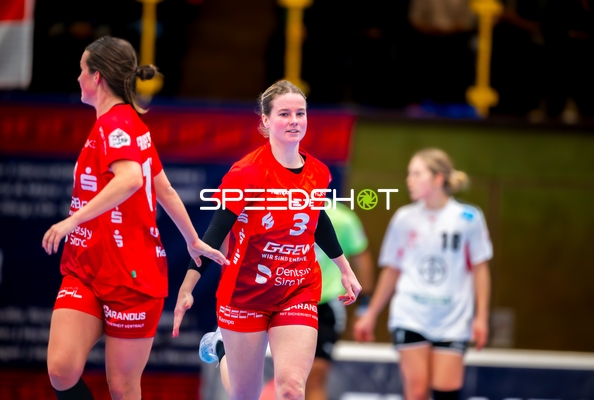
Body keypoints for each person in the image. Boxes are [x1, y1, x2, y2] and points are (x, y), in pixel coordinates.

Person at [41, 36, 228, 400]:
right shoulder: (123, 124)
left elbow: (131, 179)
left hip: (132, 276)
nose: (78, 77)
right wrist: (192, 239)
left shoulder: (118, 125)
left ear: (97, 77)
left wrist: (71, 221)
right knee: (61, 371)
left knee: (124, 388)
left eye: (82, 70)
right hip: (86, 267)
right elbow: (164, 189)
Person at [172, 80, 362, 400]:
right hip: (246, 292)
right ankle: (222, 348)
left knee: (291, 389)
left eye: (300, 113)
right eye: (284, 114)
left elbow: (317, 220)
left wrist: (344, 268)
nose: (294, 120)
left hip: (297, 289)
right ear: (266, 120)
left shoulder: (318, 172)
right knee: (245, 395)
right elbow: (215, 234)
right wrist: (188, 286)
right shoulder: (246, 173)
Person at [353, 148, 492, 400]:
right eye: (409, 174)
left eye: (417, 174)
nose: (410, 180)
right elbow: (392, 270)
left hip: (453, 318)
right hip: (411, 315)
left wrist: (481, 317)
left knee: (446, 393)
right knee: (416, 392)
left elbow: (480, 269)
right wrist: (370, 314)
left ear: (438, 178)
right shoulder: (404, 218)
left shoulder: (468, 218)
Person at [199, 203, 375, 400]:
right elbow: (225, 238)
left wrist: (364, 306)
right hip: (258, 296)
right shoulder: (255, 202)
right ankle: (221, 346)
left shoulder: (342, 218)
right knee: (244, 391)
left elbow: (361, 256)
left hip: (310, 300)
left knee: (307, 381)